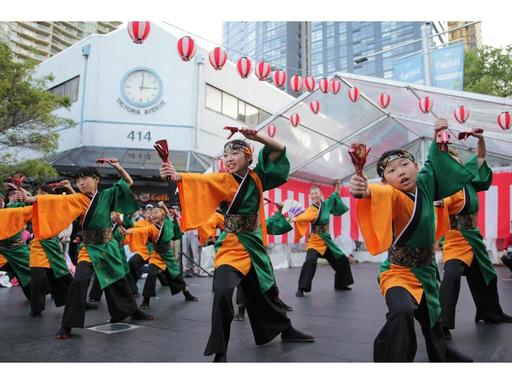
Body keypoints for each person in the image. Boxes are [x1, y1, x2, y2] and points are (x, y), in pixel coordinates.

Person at [160, 128, 314, 362]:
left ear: (249, 156)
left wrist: (255, 137)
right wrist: (175, 175)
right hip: (232, 246)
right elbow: (197, 179)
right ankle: (220, 352)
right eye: (225, 156)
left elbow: (279, 149)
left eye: (234, 154)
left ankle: (286, 330)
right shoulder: (221, 179)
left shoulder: (258, 177)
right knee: (222, 292)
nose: (229, 159)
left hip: (254, 245)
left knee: (268, 292)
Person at [348, 118, 473, 362]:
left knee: (432, 320)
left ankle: (442, 353)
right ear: (385, 181)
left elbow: (434, 162)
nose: (400, 172)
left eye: (404, 164)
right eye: (391, 171)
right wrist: (363, 189)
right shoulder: (390, 194)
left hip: (426, 269)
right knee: (402, 310)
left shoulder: (425, 183)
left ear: (416, 166)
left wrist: (438, 137)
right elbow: (376, 192)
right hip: (398, 271)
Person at [18, 159, 153, 339]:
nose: (80, 183)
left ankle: (132, 310)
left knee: (119, 280)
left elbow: (128, 182)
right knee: (79, 281)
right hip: (88, 248)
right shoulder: (77, 198)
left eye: (84, 179)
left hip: (108, 246)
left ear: (96, 179)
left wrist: (118, 167)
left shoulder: (107, 195)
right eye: (78, 180)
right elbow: (54, 200)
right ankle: (67, 325)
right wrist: (29, 198)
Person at [436, 133, 512, 339]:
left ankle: (490, 313)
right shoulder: (445, 189)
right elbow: (442, 203)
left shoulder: (468, 182)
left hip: (474, 239)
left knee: (488, 277)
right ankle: (441, 324)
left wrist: (480, 139)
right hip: (455, 240)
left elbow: (479, 158)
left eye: (457, 162)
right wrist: (439, 203)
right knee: (451, 277)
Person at [293, 180, 354, 297]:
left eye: (316, 193)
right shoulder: (310, 210)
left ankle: (341, 284)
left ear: (321, 194)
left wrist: (336, 185)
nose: (314, 195)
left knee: (342, 260)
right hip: (314, 242)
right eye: (312, 194)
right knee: (310, 261)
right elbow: (304, 216)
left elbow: (335, 196)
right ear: (310, 197)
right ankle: (301, 288)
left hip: (326, 242)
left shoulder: (326, 205)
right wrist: (294, 219)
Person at [136, 204, 198, 308]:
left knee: (176, 275)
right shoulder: (150, 227)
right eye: (152, 213)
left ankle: (187, 294)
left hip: (168, 255)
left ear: (162, 214)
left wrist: (168, 212)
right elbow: (140, 231)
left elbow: (176, 234)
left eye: (156, 212)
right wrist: (129, 231)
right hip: (156, 255)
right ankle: (146, 300)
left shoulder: (168, 224)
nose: (153, 214)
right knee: (151, 274)